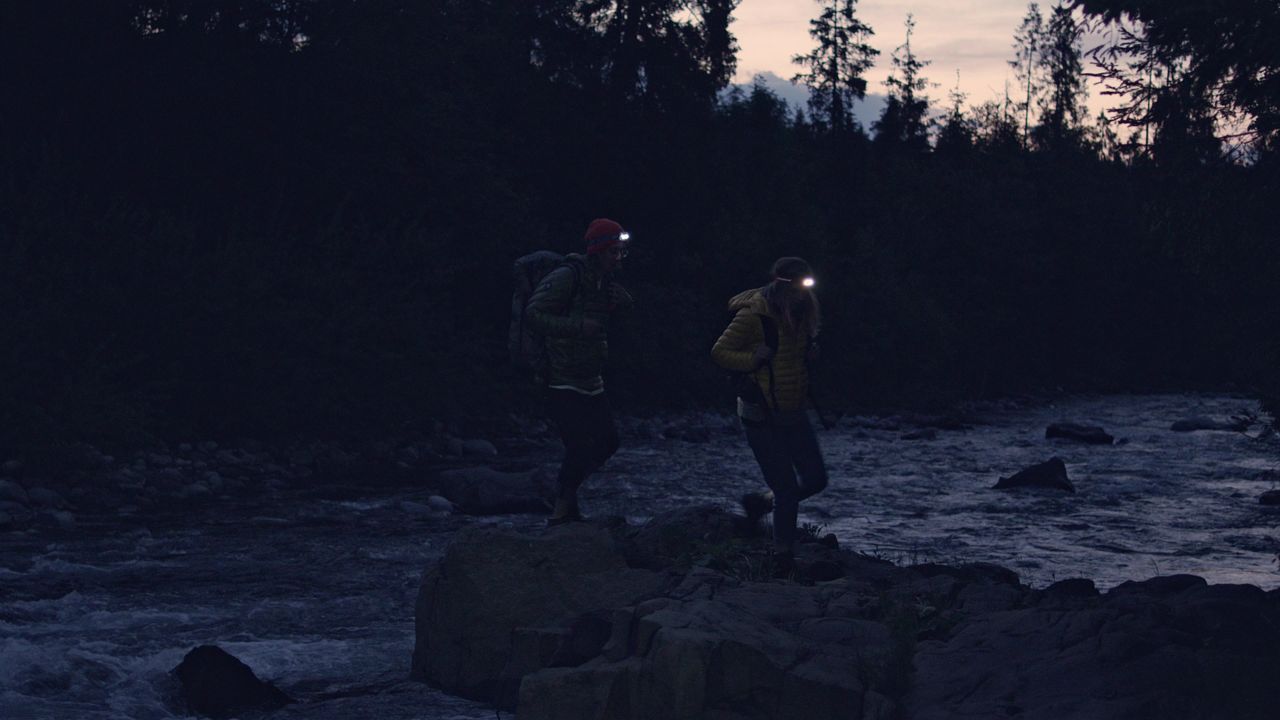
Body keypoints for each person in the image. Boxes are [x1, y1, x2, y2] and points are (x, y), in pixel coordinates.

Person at [711, 257, 829, 570]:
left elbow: (792, 357)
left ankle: (760, 503)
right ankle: (782, 556)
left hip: (793, 410)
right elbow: (719, 352)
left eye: (807, 286)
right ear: (782, 284)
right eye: (799, 286)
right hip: (760, 414)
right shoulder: (755, 315)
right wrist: (751, 358)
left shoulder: (804, 312)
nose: (804, 293)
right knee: (787, 490)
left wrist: (809, 353)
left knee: (816, 479)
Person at [525, 218, 634, 526]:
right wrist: (576, 327)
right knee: (578, 445)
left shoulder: (605, 282)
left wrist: (625, 305)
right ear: (597, 251)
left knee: (607, 442)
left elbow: (609, 323)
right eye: (614, 252)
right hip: (560, 376)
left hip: (591, 377)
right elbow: (534, 314)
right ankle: (562, 511)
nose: (618, 258)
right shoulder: (566, 277)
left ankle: (566, 500)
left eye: (621, 252)